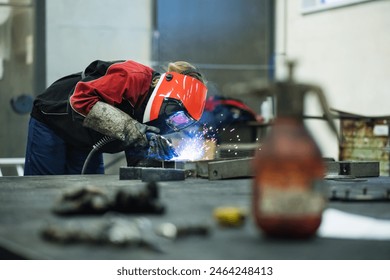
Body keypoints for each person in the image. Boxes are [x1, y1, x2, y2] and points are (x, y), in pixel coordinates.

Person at [24, 60, 208, 175]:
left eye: (181, 122)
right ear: (169, 95)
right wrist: (135, 130)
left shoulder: (160, 113)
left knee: (90, 194)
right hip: (54, 119)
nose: (174, 122)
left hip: (86, 136)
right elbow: (81, 101)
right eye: (177, 116)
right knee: (44, 187)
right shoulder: (133, 76)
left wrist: (153, 155)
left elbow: (137, 162)